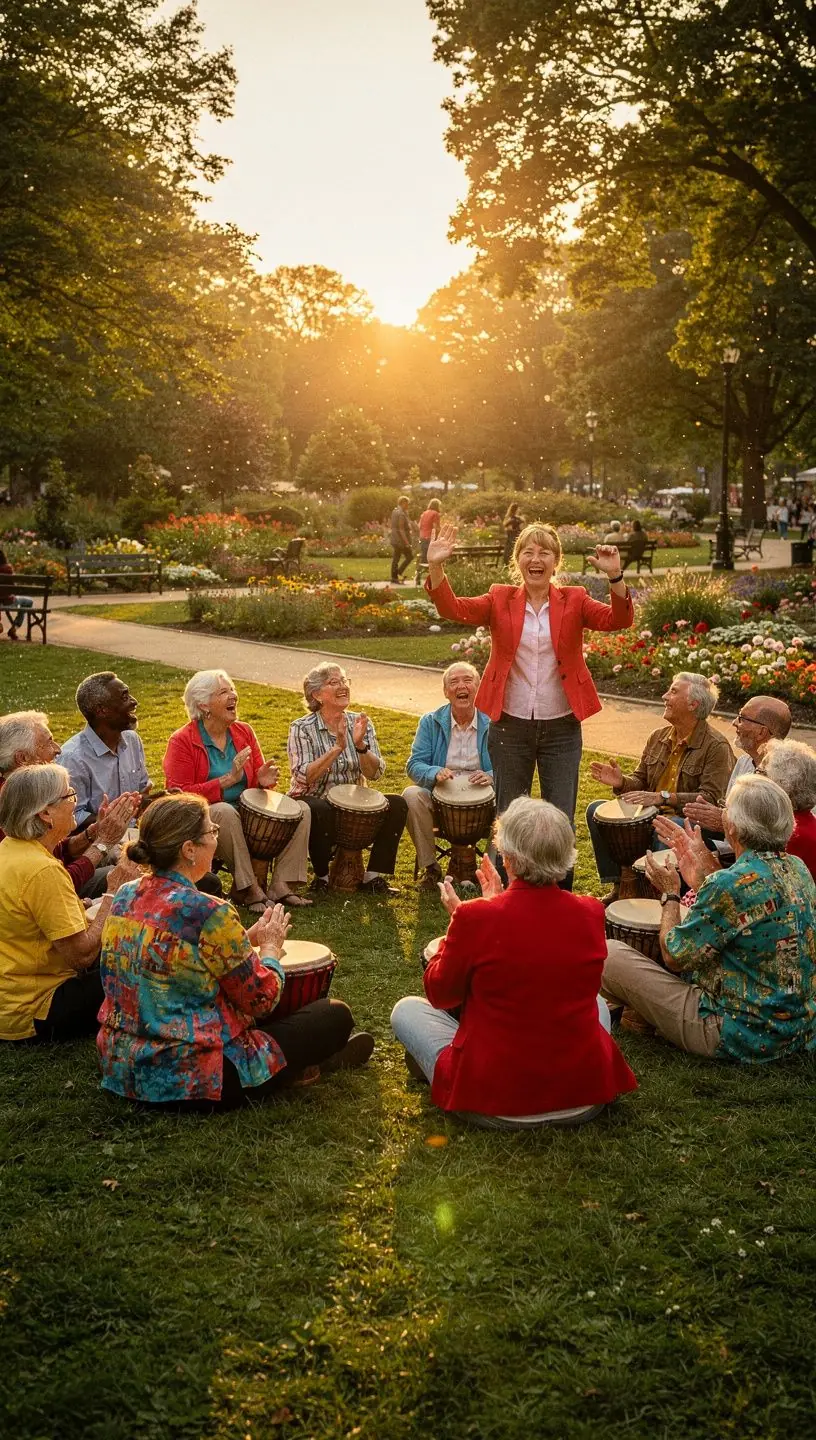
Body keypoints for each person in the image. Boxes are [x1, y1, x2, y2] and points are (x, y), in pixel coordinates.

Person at [97, 793, 374, 1108]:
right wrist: (270, 949)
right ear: (189, 849)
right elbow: (262, 999)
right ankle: (305, 1064)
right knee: (333, 1015)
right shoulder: (209, 911)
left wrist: (243, 937)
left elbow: (173, 952)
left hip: (122, 1065)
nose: (216, 837)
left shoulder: (124, 894)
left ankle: (304, 1062)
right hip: (194, 1078)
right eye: (212, 832)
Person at [391, 797, 637, 1127]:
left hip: (494, 1102)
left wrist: (460, 924)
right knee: (596, 1003)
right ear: (565, 857)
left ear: (508, 858)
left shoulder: (474, 917)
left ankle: (432, 1068)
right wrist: (485, 912)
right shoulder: (591, 910)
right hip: (584, 1098)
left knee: (406, 1010)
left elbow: (441, 994)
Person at [425, 521, 634, 886]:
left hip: (561, 727)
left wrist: (615, 576)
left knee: (560, 815)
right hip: (511, 726)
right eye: (528, 552)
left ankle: (559, 894)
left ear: (556, 562)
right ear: (517, 560)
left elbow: (618, 620)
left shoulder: (575, 599)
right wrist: (436, 567)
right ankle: (509, 893)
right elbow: (453, 609)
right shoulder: (499, 598)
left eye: (544, 553)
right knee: (510, 814)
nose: (535, 559)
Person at [603, 776, 816, 1062]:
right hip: (798, 1029)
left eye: (725, 809)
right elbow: (744, 920)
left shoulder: (730, 884)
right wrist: (705, 879)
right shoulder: (797, 868)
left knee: (608, 955)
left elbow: (673, 955)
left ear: (734, 827)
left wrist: (670, 894)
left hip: (734, 1033)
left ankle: (635, 1012)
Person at [0, 764, 137, 1043]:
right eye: (69, 796)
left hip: (10, 1000)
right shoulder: (43, 870)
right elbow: (81, 956)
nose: (75, 802)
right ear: (45, 813)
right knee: (141, 966)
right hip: (38, 1009)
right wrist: (113, 891)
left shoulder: (10, 850)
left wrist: (82, 906)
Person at [163, 669, 312, 913]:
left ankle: (282, 885)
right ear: (204, 704)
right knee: (224, 811)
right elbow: (178, 795)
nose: (233, 695)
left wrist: (262, 781)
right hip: (204, 818)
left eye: (232, 689)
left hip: (246, 811)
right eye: (224, 692)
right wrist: (226, 781)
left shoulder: (244, 732)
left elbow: (255, 789)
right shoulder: (181, 741)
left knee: (302, 809)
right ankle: (248, 887)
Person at [586, 673, 734, 901]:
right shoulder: (658, 736)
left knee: (665, 825)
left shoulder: (716, 747)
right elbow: (640, 781)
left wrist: (663, 798)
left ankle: (659, 897)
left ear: (693, 704)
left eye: (673, 692)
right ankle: (619, 886)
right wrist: (621, 782)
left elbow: (710, 798)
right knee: (595, 809)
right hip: (653, 815)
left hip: (688, 822)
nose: (665, 696)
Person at [288, 663, 408, 895]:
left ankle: (373, 877)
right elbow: (303, 776)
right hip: (314, 800)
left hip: (353, 806)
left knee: (397, 804)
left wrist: (360, 745)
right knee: (318, 807)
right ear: (317, 695)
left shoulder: (361, 722)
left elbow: (376, 773)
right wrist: (338, 748)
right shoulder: (301, 728)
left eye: (344, 681)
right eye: (334, 682)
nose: (343, 686)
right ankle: (321, 878)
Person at [0, 710, 136, 898]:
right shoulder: (11, 803)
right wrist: (103, 843)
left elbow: (59, 850)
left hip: (57, 881)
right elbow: (55, 884)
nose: (58, 749)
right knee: (132, 877)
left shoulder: (26, 793)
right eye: (48, 742)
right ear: (22, 759)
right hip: (54, 891)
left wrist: (95, 831)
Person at [658, 737, 816, 885]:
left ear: (781, 785)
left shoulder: (789, 832)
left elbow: (742, 892)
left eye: (760, 772)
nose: (753, 775)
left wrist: (703, 858)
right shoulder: (796, 822)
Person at [402, 662, 493, 888]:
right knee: (411, 795)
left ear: (478, 687)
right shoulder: (430, 722)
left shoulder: (494, 721)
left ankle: (490, 870)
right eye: (453, 682)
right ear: (445, 692)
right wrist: (434, 772)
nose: (461, 686)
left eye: (467, 680)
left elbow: (511, 766)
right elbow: (414, 764)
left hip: (484, 801)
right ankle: (431, 867)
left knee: (511, 801)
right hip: (441, 803)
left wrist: (492, 775)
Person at [681, 695, 792, 843]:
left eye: (742, 718)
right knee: (676, 827)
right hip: (732, 845)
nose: (734, 723)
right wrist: (716, 815)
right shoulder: (744, 762)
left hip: (757, 858)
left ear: (761, 732)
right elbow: (730, 810)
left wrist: (723, 822)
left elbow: (774, 837)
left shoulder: (787, 775)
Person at [60, 672, 151, 825]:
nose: (134, 701)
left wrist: (157, 801)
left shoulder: (132, 739)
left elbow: (143, 789)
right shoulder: (73, 758)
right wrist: (116, 820)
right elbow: (72, 817)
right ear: (102, 710)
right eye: (124, 697)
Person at [0, 547, 33, 640]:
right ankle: (15, 627)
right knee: (29, 602)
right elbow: (13, 587)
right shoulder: (7, 568)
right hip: (9, 601)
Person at [390, 495, 413, 585]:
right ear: (403, 503)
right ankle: (398, 573)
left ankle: (394, 577)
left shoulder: (395, 511)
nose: (408, 506)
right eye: (407, 504)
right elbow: (401, 529)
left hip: (395, 538)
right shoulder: (401, 514)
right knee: (409, 557)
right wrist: (407, 542)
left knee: (396, 558)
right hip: (400, 540)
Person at [418, 498, 442, 566]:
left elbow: (419, 526)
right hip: (430, 537)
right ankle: (432, 573)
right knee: (432, 557)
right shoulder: (435, 513)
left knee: (424, 556)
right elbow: (435, 527)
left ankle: (420, 573)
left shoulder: (424, 513)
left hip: (422, 536)